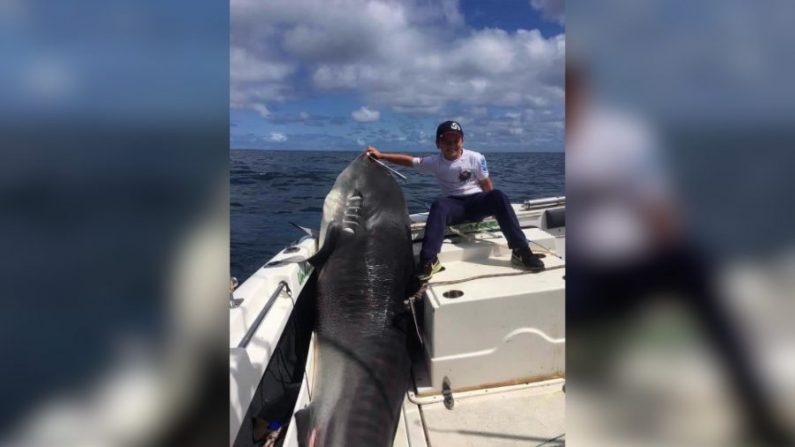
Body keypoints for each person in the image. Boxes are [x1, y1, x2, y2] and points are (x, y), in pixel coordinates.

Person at [365, 120, 545, 281]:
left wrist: (495, 211)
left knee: (498, 196)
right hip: (453, 205)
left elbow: (486, 183)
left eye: (455, 140)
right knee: (439, 205)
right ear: (438, 143)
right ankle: (429, 260)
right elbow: (410, 161)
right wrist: (381, 156)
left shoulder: (476, 158)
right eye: (446, 141)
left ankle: (521, 250)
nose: (452, 145)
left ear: (462, 141)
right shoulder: (434, 162)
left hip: (476, 202)